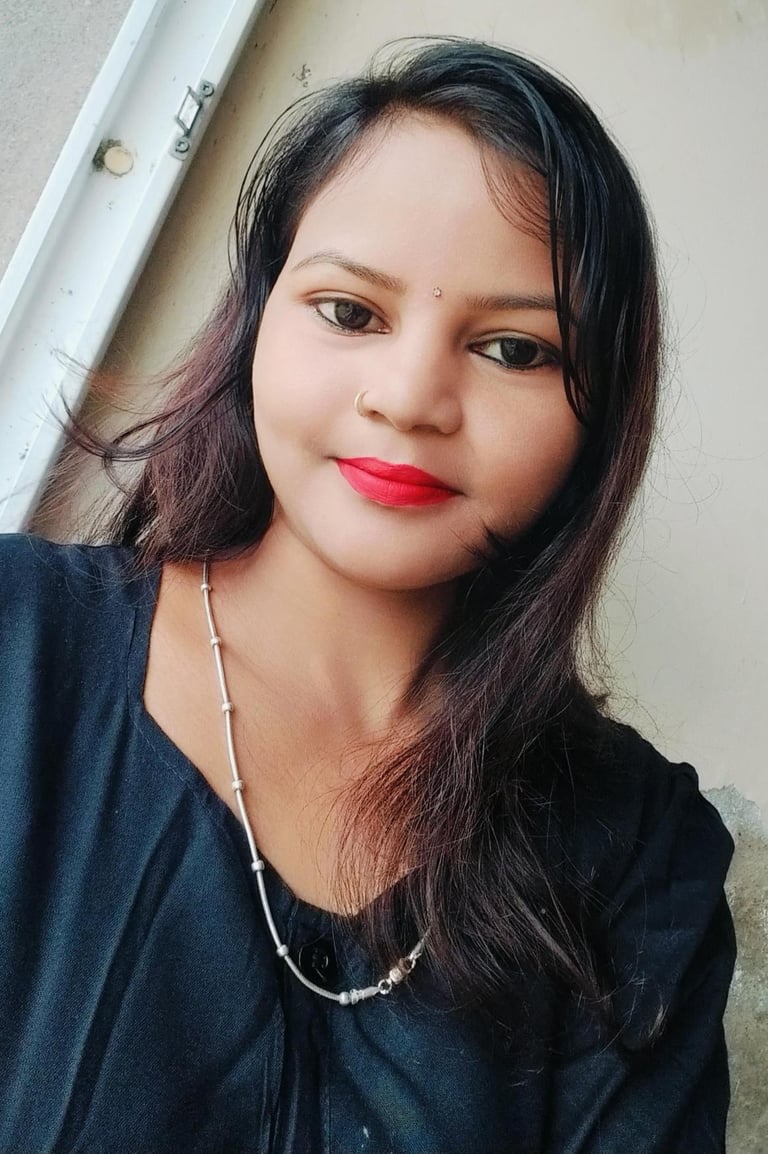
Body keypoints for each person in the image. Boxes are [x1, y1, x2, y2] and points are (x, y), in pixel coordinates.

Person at [0, 36, 735, 1154]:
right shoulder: (17, 647)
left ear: (599, 421)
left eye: (513, 348)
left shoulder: (642, 854)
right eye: (350, 312)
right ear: (257, 322)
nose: (408, 397)